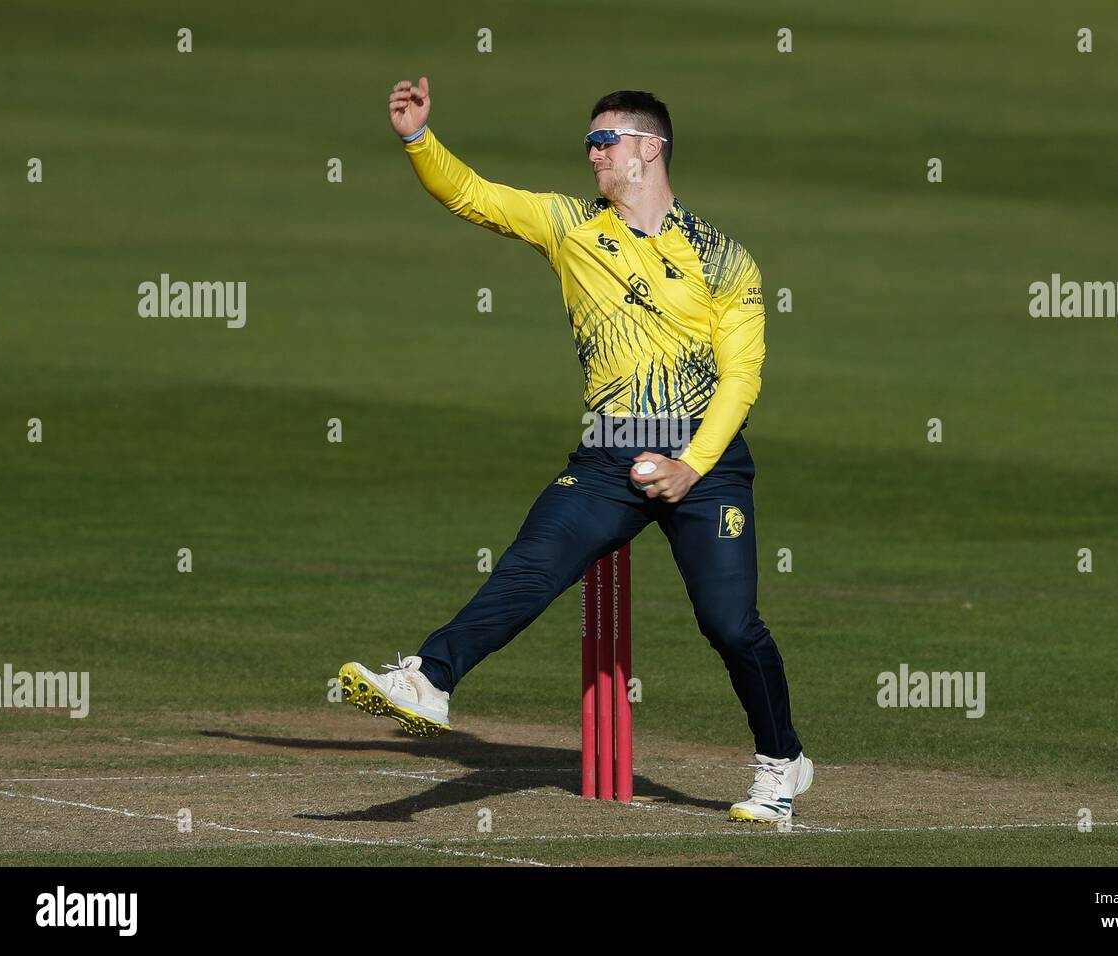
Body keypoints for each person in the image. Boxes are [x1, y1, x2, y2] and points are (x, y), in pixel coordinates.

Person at [339, 77, 811, 822]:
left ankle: (781, 764)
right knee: (531, 567)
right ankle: (429, 679)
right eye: (588, 142)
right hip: (608, 455)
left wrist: (693, 464)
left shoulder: (724, 260)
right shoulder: (569, 226)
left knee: (729, 623)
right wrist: (418, 139)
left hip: (704, 461)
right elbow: (474, 195)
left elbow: (742, 375)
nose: (591, 155)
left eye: (605, 141)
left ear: (649, 149)